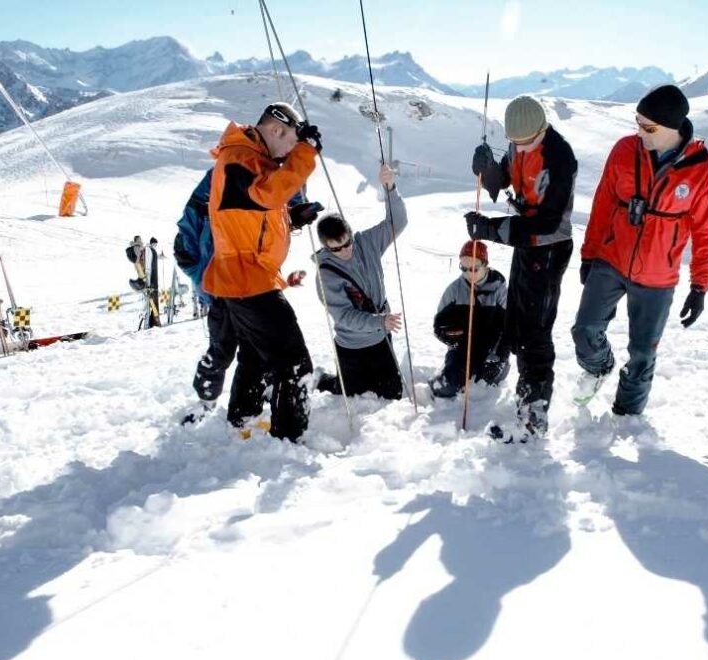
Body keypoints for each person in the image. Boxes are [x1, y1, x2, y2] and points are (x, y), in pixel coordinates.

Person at [572, 84, 708, 415]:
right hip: (610, 260)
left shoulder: (703, 166)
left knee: (642, 354)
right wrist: (589, 254)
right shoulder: (625, 150)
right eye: (637, 123)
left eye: (648, 127)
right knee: (584, 330)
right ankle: (598, 368)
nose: (639, 132)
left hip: (657, 276)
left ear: (672, 127)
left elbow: (706, 228)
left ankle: (627, 418)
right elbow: (603, 204)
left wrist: (700, 286)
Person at [202, 101, 322, 442]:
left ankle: (243, 424)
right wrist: (307, 152)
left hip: (246, 276)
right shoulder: (240, 158)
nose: (289, 152)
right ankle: (288, 440)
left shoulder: (248, 158)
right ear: (276, 130)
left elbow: (252, 214)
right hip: (247, 278)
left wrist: (293, 218)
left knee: (256, 356)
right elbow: (267, 195)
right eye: (291, 142)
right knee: (294, 363)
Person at [465, 95, 577, 438]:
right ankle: (509, 377)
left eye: (528, 141)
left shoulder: (559, 158)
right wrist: (488, 170)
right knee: (515, 315)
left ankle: (533, 417)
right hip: (526, 245)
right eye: (515, 142)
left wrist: (491, 229)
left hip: (549, 246)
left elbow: (546, 223)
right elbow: (503, 180)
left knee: (535, 331)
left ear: (542, 129)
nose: (521, 147)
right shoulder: (518, 144)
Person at [174, 169, 316, 426]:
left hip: (255, 287)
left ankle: (255, 404)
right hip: (221, 288)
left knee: (260, 348)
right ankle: (205, 401)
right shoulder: (224, 175)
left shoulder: (271, 177)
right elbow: (184, 245)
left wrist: (296, 216)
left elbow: (278, 221)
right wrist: (205, 280)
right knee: (222, 349)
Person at [313, 164, 408, 400]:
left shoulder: (366, 242)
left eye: (347, 243)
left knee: (393, 393)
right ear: (326, 247)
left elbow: (398, 222)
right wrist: (380, 320)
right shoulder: (325, 274)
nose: (345, 251)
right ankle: (321, 378)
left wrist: (390, 189)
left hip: (380, 337)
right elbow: (344, 316)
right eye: (336, 248)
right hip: (351, 345)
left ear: (350, 234)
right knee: (349, 393)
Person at [429, 240, 509, 398]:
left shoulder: (499, 289)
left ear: (485, 265)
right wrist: (452, 337)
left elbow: (509, 327)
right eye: (464, 268)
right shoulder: (454, 290)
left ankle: (499, 369)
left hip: (491, 349)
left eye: (474, 269)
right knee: (448, 387)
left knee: (487, 382)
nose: (469, 273)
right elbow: (438, 327)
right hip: (462, 348)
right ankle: (440, 379)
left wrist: (500, 354)